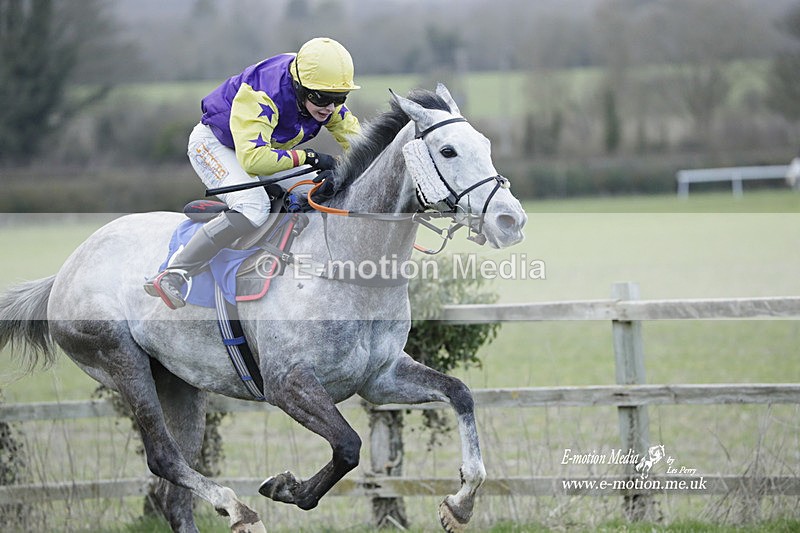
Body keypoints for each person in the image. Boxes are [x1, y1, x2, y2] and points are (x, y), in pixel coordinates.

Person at [144, 37, 361, 309]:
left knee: (319, 190)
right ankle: (174, 272)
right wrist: (312, 156)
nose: (330, 107)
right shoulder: (262, 94)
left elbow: (361, 143)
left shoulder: (320, 86)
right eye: (321, 98)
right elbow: (254, 160)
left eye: (339, 99)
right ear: (299, 86)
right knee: (254, 207)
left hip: (263, 149)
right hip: (217, 146)